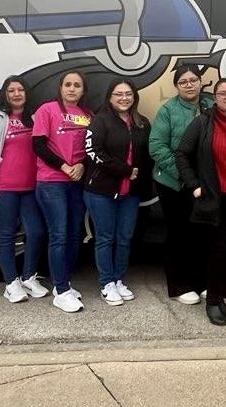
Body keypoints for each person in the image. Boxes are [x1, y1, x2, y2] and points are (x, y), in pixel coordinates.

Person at [176, 78, 226, 326]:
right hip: (210, 199)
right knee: (216, 251)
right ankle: (212, 301)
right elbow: (181, 153)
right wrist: (194, 185)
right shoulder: (202, 122)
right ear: (214, 97)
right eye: (222, 93)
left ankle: (219, 297)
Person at [0, 76, 49, 303]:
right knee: (6, 234)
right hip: (3, 189)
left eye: (20, 89)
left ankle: (29, 277)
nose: (16, 94)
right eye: (11, 90)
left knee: (36, 232)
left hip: (31, 188)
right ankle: (11, 283)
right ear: (5, 94)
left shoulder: (35, 118)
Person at [83, 78, 152, 306]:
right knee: (105, 238)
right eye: (118, 94)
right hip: (101, 190)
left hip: (130, 193)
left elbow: (147, 155)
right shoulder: (100, 121)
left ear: (134, 97)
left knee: (124, 238)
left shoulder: (142, 123)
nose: (124, 98)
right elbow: (92, 151)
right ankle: (106, 283)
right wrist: (124, 170)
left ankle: (119, 279)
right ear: (110, 98)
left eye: (128, 94)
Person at [149, 64, 213, 305]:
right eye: (183, 81)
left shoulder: (209, 106)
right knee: (179, 233)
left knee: (202, 233)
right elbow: (157, 146)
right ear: (176, 86)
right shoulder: (168, 110)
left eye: (193, 80)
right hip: (173, 183)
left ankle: (202, 282)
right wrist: (186, 175)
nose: (189, 85)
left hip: (202, 184)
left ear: (200, 82)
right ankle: (179, 285)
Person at [32, 70, 92, 313]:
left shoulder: (87, 115)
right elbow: (38, 145)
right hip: (52, 181)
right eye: (68, 84)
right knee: (58, 234)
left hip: (76, 181)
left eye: (77, 85)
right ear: (60, 88)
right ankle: (61, 289)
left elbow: (92, 148)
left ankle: (62, 284)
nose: (72, 89)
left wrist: (81, 165)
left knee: (74, 233)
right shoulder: (47, 110)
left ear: (83, 90)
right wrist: (65, 166)